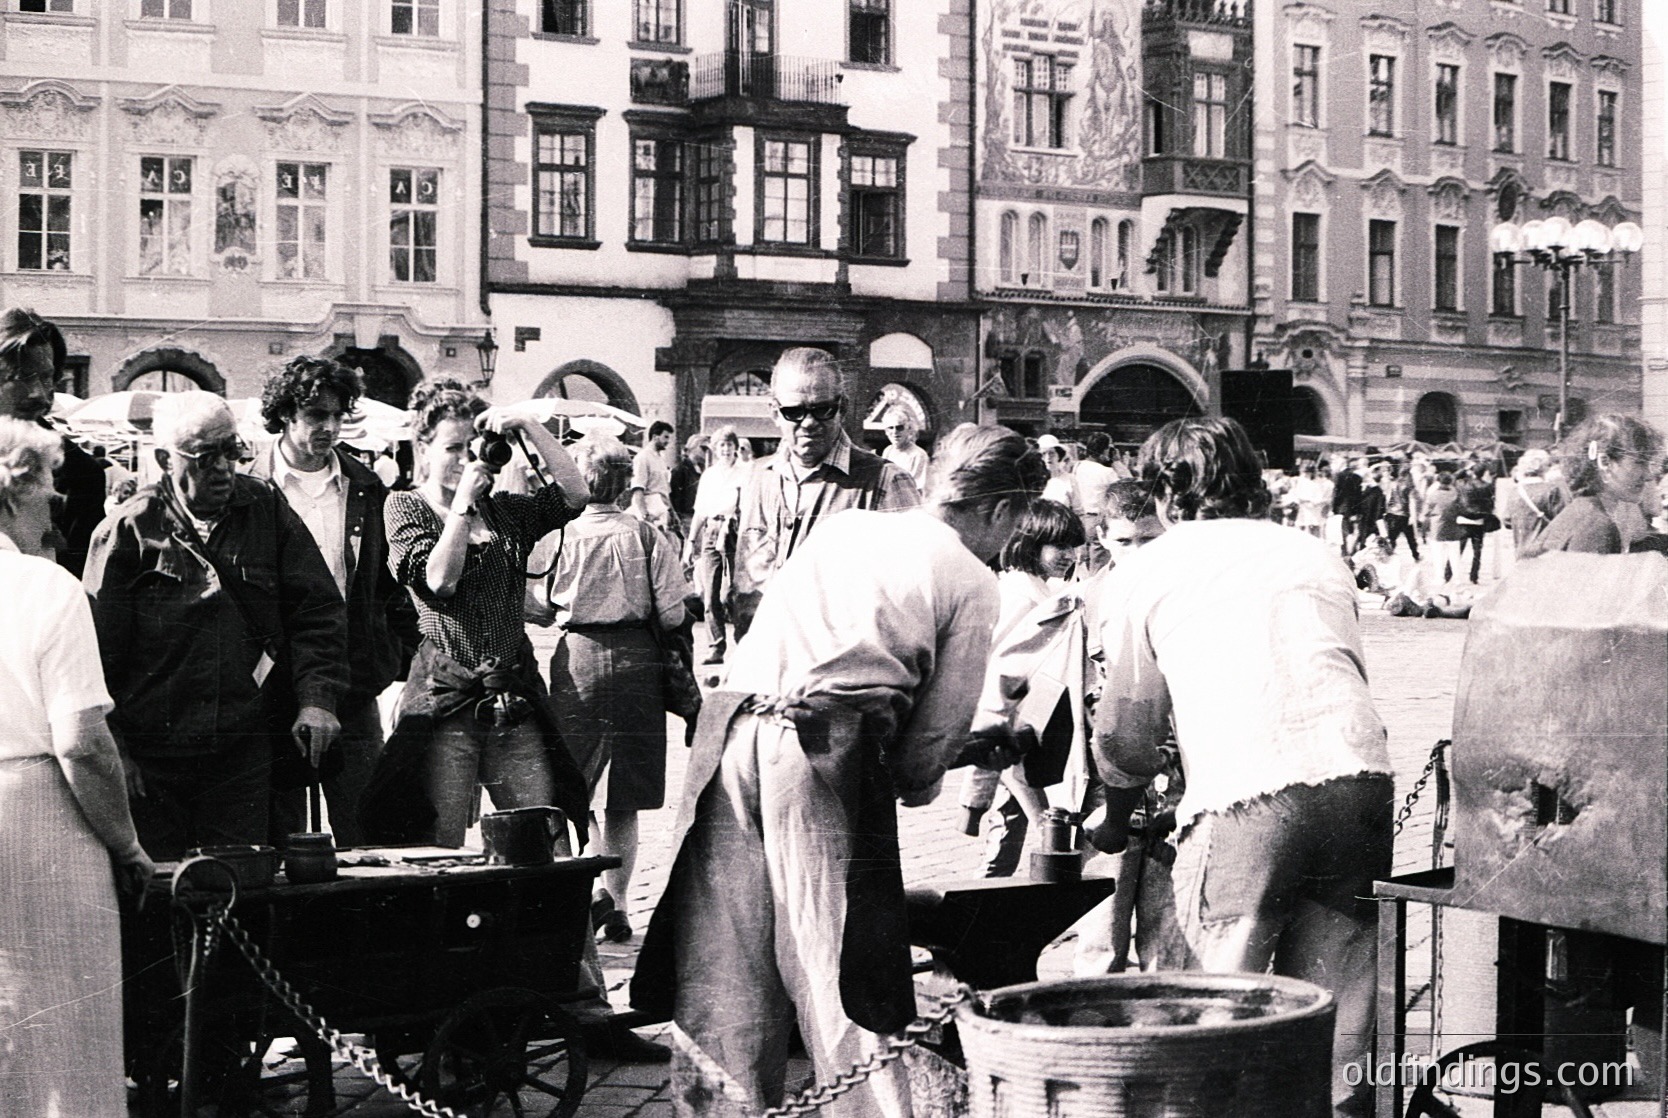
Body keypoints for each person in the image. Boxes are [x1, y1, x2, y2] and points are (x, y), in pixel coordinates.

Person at [633, 424, 1047, 1118]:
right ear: (1003, 509)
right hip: (820, 754)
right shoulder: (973, 580)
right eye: (1015, 525)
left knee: (723, 968)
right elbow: (921, 761)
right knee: (841, 971)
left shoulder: (848, 527)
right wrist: (967, 751)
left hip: (729, 732)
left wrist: (946, 745)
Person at [1084, 416, 1393, 1118]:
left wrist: (1114, 818)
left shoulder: (1149, 567)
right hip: (1359, 778)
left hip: (1249, 795)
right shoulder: (1314, 552)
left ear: (1165, 493)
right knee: (1337, 1014)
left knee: (1216, 1008)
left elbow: (1126, 735)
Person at [83, 394, 347, 860]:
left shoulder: (265, 507)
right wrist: (117, 752)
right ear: (165, 459)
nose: (225, 467)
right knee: (161, 889)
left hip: (240, 754)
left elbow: (318, 612)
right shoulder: (128, 530)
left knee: (241, 883)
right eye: (206, 456)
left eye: (232, 449)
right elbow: (94, 658)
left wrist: (317, 701)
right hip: (154, 762)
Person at [0, 418, 154, 1115]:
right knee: (66, 1027)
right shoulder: (46, 587)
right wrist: (127, 845)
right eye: (48, 488)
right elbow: (83, 744)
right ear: (13, 492)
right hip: (40, 822)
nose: (56, 503)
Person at [371, 380, 591, 850]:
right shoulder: (405, 506)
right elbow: (439, 581)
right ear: (423, 449)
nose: (465, 459)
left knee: (541, 836)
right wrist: (462, 507)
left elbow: (575, 495)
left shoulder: (505, 511)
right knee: (441, 842)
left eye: (472, 447)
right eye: (452, 448)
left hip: (511, 695)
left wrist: (529, 425)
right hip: (446, 700)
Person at [250, 356, 417, 845]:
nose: (329, 427)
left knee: (365, 825)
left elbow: (387, 585)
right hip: (274, 685)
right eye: (316, 415)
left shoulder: (364, 486)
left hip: (353, 678)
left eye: (338, 415)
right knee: (282, 835)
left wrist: (393, 651)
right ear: (286, 414)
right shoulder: (253, 487)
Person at [547, 435, 691, 944]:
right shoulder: (647, 536)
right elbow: (672, 613)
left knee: (576, 784)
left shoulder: (559, 535)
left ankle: (591, 889)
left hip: (578, 661)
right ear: (626, 482)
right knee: (624, 797)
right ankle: (622, 903)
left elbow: (537, 604)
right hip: (636, 664)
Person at [729, 347, 920, 637]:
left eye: (822, 410)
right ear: (774, 412)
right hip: (760, 656)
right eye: (794, 412)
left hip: (841, 662)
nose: (808, 423)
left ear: (842, 407)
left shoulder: (885, 482)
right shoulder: (757, 477)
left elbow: (912, 600)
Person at [957, 499, 1086, 877]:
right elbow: (1000, 668)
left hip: (1023, 719)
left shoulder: (1039, 588)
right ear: (1030, 542)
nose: (1069, 555)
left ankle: (990, 885)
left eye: (1073, 546)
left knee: (1008, 823)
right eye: (1059, 545)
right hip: (1013, 721)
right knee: (1037, 822)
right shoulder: (1021, 593)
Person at [0, 308, 105, 576]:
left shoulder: (79, 474)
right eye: (22, 376)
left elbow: (78, 585)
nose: (39, 393)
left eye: (46, 377)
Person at [1521, 414, 1664, 558]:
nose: (1648, 476)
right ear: (1605, 462)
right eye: (1640, 462)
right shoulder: (1598, 525)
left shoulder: (1582, 510)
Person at [688, 425, 744, 665]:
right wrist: (690, 542)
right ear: (715, 448)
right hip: (712, 531)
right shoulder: (709, 475)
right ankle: (716, 647)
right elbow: (700, 511)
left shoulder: (745, 472)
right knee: (710, 594)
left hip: (735, 532)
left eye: (729, 445)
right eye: (721, 445)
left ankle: (744, 646)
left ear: (735, 447)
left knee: (736, 592)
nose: (726, 449)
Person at [1502, 448, 1567, 557]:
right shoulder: (1552, 490)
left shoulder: (1515, 492)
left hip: (1521, 552)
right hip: (1546, 553)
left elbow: (1507, 521)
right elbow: (1562, 521)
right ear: (1544, 468)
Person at [1074, 432, 1117, 568]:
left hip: (1080, 518)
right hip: (1097, 518)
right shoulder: (1107, 472)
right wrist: (1117, 462)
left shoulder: (1077, 467)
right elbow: (1124, 488)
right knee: (1098, 564)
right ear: (1104, 450)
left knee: (1082, 562)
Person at [1454, 463, 1498, 583]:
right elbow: (1490, 503)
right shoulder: (1487, 486)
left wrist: (1465, 468)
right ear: (1484, 473)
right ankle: (1474, 576)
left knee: (1458, 550)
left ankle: (1449, 573)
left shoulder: (1463, 484)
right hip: (1479, 520)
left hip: (1463, 518)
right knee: (1477, 551)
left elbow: (1454, 477)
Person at [631, 420, 676, 533]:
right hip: (649, 508)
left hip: (662, 509)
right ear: (655, 437)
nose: (668, 441)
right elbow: (638, 489)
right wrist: (645, 515)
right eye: (665, 437)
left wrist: (672, 513)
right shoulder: (642, 458)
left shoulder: (661, 459)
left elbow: (664, 489)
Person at [1424, 470, 1465, 587]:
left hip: (1437, 527)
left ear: (1438, 481)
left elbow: (1426, 512)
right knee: (1454, 555)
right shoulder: (1456, 494)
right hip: (1453, 527)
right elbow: (1462, 508)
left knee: (1438, 555)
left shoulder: (1433, 495)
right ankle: (1457, 578)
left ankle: (1439, 578)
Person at [880, 407, 931, 492]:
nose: (895, 432)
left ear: (909, 429)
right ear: (886, 431)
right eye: (890, 428)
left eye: (899, 427)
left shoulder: (918, 455)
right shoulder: (888, 451)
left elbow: (918, 489)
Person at [1381, 459, 1422, 559]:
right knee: (1410, 537)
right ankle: (1415, 555)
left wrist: (1386, 511)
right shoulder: (1410, 487)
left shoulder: (1393, 483)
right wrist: (1413, 517)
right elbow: (1412, 503)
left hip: (1392, 513)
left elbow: (1388, 498)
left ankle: (1387, 556)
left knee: (1392, 537)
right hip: (1405, 514)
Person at [669, 433, 709, 536]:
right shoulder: (680, 470)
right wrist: (677, 518)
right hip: (685, 517)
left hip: (698, 515)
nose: (706, 452)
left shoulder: (701, 469)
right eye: (703, 448)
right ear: (693, 447)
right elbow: (674, 496)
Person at [1330, 455, 1364, 555]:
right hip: (1354, 507)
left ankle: (1344, 550)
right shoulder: (1357, 477)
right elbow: (1359, 494)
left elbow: (1336, 493)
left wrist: (1333, 507)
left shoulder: (1338, 476)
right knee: (1354, 529)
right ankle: (1353, 549)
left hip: (1342, 507)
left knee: (1343, 530)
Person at [1288, 461, 1332, 537]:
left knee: (1314, 526)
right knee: (1302, 525)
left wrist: (1315, 501)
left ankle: (1315, 541)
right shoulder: (1301, 480)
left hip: (1315, 507)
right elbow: (1297, 494)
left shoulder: (1320, 482)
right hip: (1304, 507)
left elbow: (1320, 496)